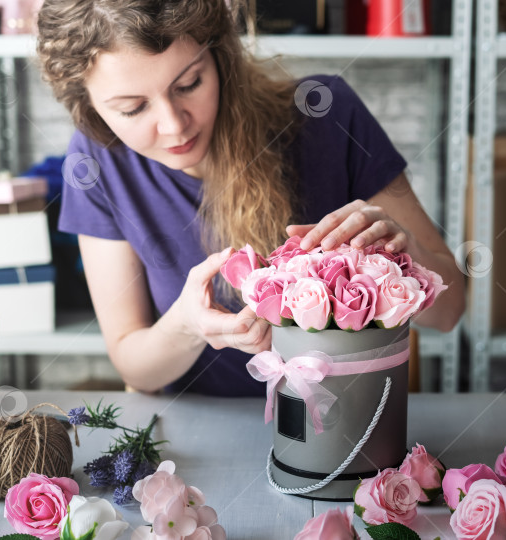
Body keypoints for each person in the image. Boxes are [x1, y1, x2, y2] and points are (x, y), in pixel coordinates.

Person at [36, 0, 465, 396]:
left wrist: (404, 255)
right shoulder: (96, 162)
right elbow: (135, 367)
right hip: (197, 444)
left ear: (220, 56)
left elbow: (450, 312)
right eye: (132, 109)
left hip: (344, 430)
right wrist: (187, 325)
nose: (174, 125)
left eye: (189, 83)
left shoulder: (327, 114)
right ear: (89, 109)